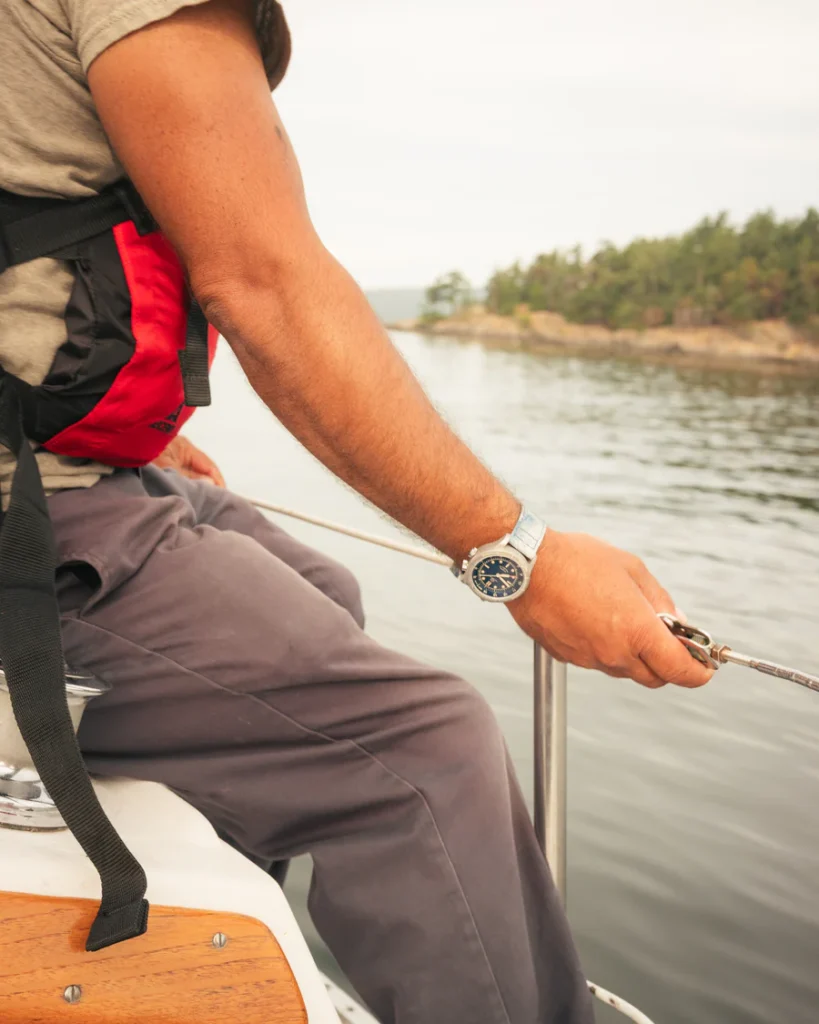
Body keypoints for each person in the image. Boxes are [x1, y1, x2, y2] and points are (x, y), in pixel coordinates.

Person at [0, 2, 712, 1022]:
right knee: (427, 751)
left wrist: (116, 426)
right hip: (26, 519)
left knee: (324, 584)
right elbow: (265, 284)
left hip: (62, 467)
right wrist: (518, 555)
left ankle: (209, 942)